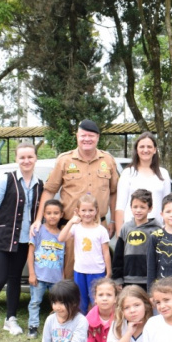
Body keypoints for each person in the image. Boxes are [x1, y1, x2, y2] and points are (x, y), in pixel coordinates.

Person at [34, 119, 119, 278]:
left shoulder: (108, 160)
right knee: (70, 273)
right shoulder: (65, 160)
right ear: (77, 137)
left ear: (98, 137)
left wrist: (113, 220)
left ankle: (94, 304)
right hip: (72, 227)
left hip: (99, 226)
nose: (87, 139)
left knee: (98, 271)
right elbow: (49, 191)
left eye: (91, 136)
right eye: (83, 135)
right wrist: (39, 219)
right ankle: (70, 303)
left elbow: (114, 192)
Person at [0, 142, 43, 336]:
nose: (26, 161)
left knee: (14, 279)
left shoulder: (40, 184)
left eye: (30, 157)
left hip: (24, 240)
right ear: (16, 159)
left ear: (35, 158)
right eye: (22, 157)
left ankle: (10, 319)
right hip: (2, 238)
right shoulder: (6, 180)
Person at [58, 193, 112, 315]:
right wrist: (71, 221)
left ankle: (96, 325)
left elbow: (106, 252)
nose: (87, 213)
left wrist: (108, 271)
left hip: (97, 271)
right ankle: (82, 325)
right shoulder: (76, 227)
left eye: (90, 210)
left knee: (96, 300)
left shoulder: (101, 230)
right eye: (84, 210)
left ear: (96, 211)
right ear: (78, 211)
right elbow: (61, 238)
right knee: (81, 300)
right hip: (80, 271)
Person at [26, 198, 66, 339]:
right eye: (49, 213)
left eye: (56, 213)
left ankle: (56, 328)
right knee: (35, 301)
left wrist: (63, 277)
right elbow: (30, 252)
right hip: (40, 276)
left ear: (61, 214)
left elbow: (65, 258)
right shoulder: (38, 231)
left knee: (58, 304)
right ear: (43, 214)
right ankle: (33, 326)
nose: (52, 216)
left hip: (56, 278)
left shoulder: (63, 235)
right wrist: (31, 273)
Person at [114, 132, 171, 230]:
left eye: (149, 147)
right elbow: (120, 207)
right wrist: (120, 236)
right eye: (142, 147)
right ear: (137, 150)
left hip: (156, 230)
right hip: (132, 231)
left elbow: (167, 206)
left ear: (154, 150)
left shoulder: (164, 174)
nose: (145, 150)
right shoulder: (127, 173)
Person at [112, 189, 161, 290]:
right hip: (128, 279)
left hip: (148, 279)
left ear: (150, 208)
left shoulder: (156, 230)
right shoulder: (126, 228)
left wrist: (158, 278)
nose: (138, 210)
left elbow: (160, 258)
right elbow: (118, 256)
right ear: (130, 208)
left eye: (142, 207)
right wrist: (117, 279)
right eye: (135, 207)